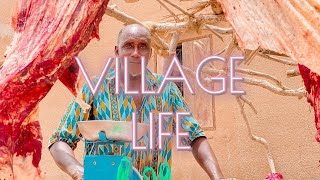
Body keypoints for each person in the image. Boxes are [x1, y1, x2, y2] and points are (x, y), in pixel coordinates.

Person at [48, 24, 225, 180]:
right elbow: (60, 140)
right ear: (117, 52)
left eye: (142, 47)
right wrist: (77, 170)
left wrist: (218, 177)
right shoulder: (95, 88)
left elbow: (194, 136)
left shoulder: (167, 91)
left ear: (150, 53)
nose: (135, 53)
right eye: (128, 46)